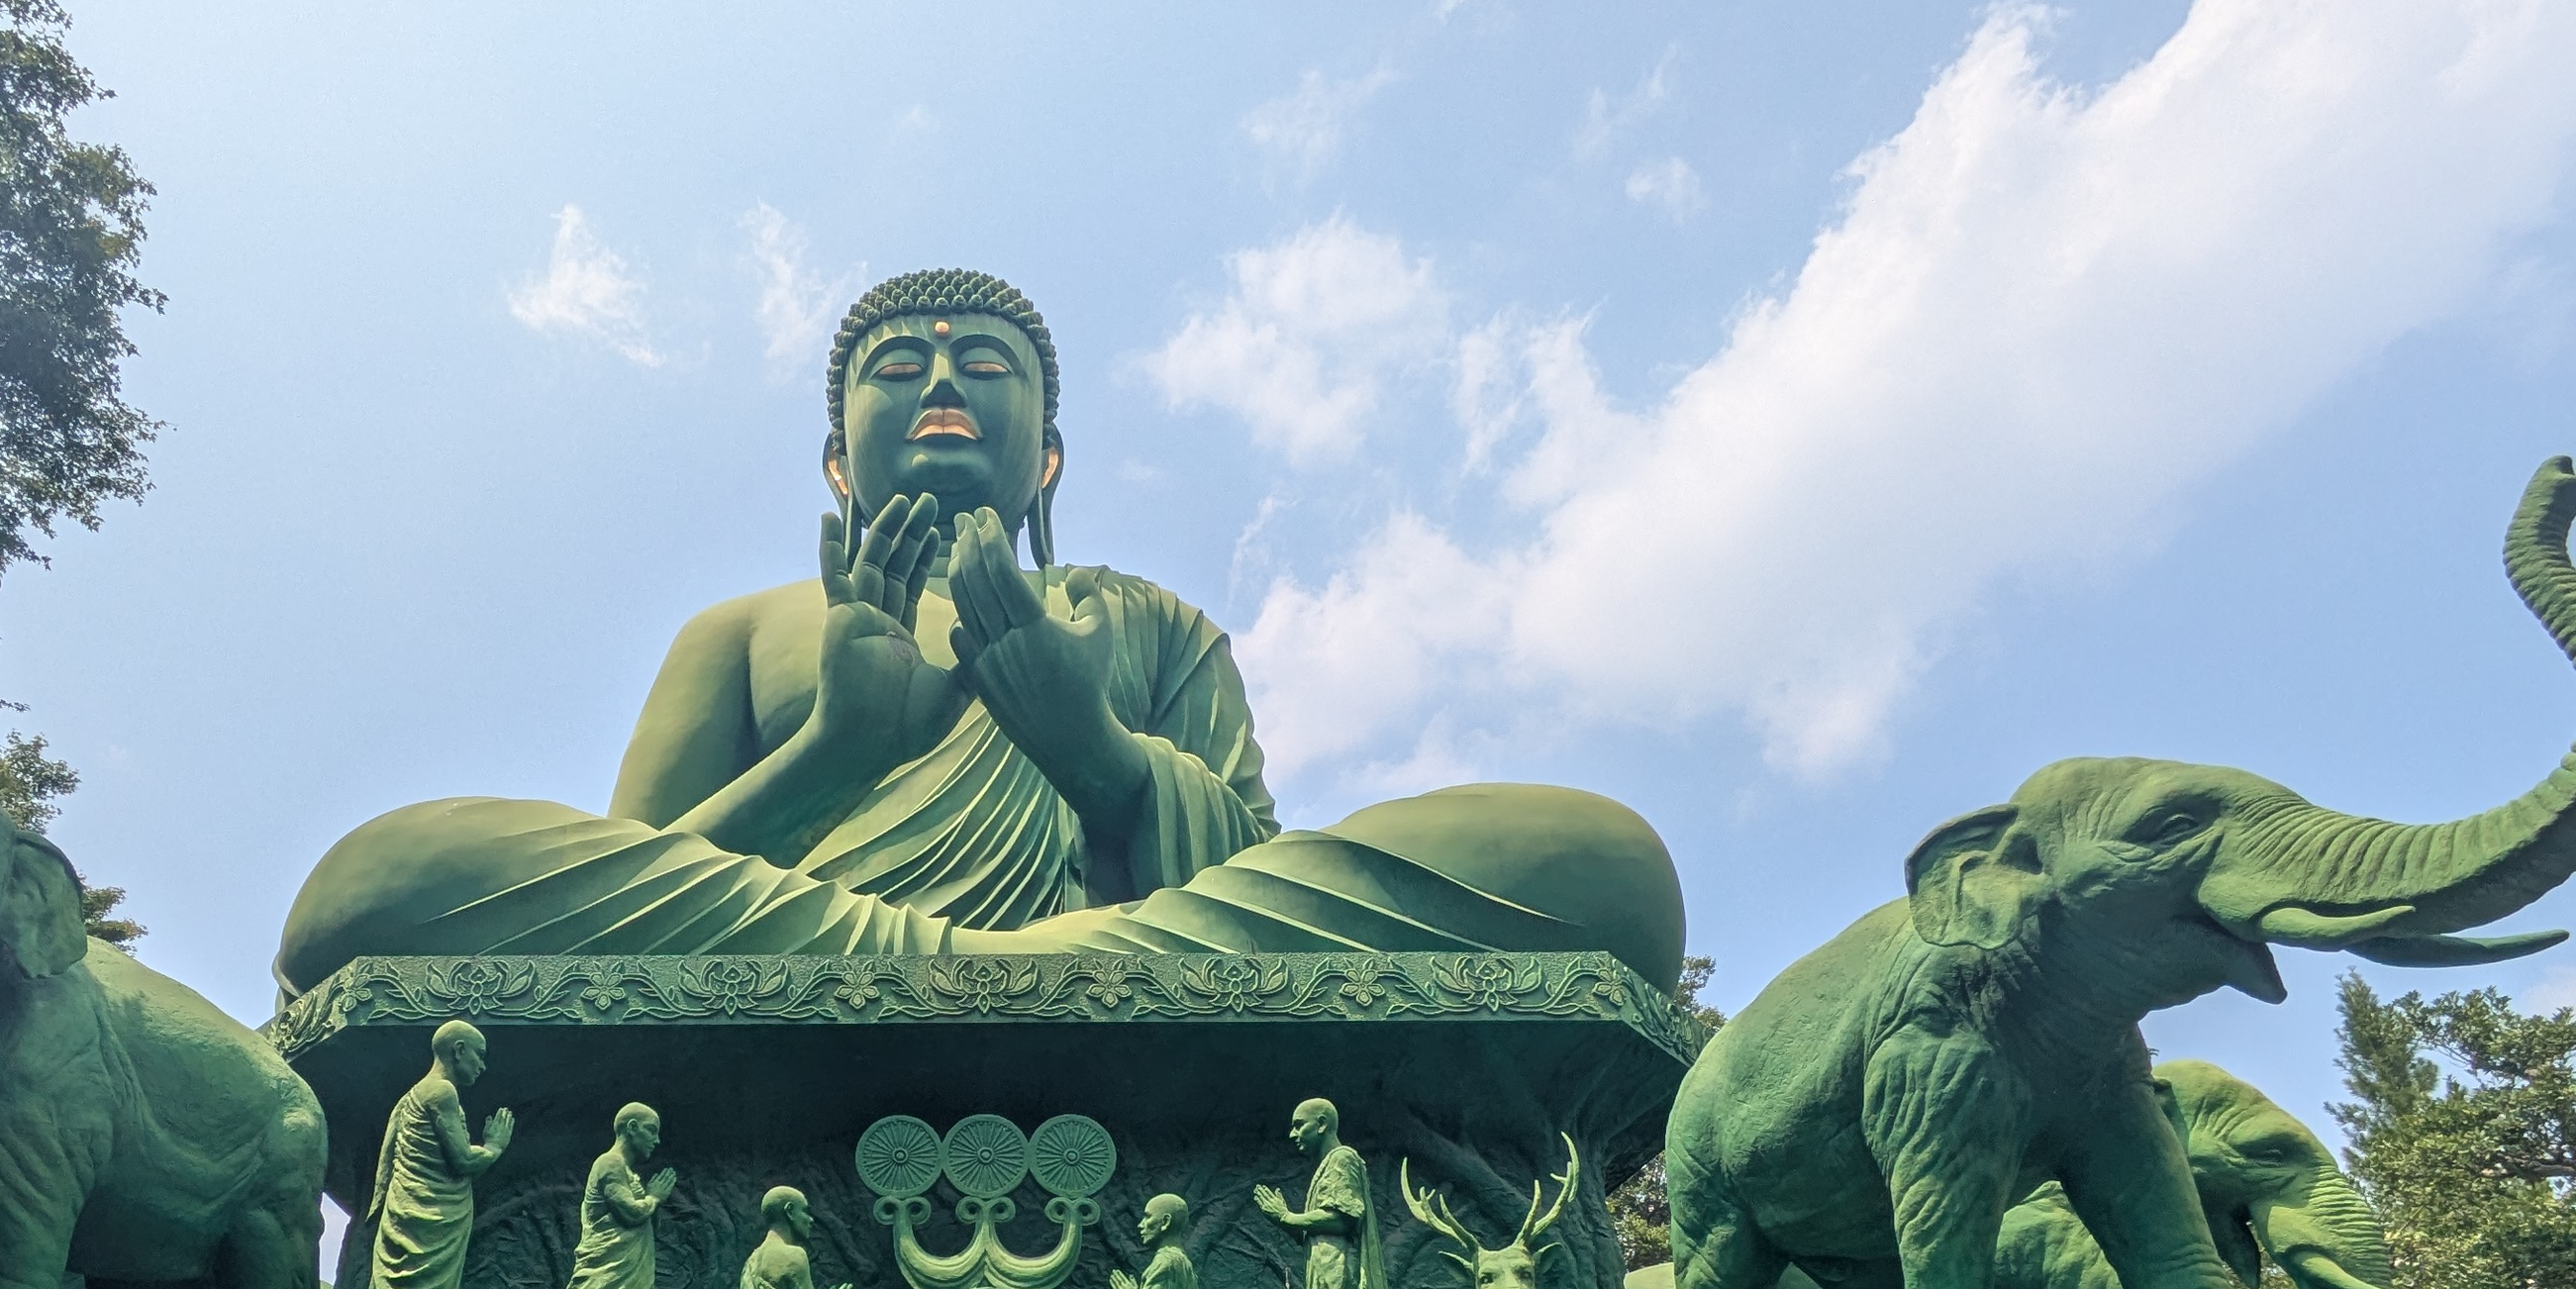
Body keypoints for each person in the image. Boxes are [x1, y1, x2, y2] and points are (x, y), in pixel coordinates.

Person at [276, 269, 1686, 999]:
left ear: (1047, 463)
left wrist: (1109, 768)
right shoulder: (742, 630)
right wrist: (836, 753)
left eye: (981, 365)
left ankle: (1028, 980)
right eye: (900, 370)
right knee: (373, 892)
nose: (942, 381)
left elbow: (1261, 889)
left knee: (1597, 868)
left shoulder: (1154, 626)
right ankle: (1000, 985)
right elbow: (635, 893)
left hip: (1132, 957)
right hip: (813, 954)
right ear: (839, 466)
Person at [345, 1019, 511, 1289]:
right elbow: (465, 1160)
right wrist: (496, 1145)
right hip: (428, 1225)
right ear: (458, 1050)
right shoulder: (441, 1092)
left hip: (410, 1221)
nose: (482, 1067)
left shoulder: (412, 1096)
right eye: (479, 1056)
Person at [1254, 1099, 1399, 1289]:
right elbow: (1320, 1225)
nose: (1293, 1134)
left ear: (1321, 1124)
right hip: (1325, 1272)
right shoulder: (1326, 1166)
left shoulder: (1342, 1158)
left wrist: (1288, 1217)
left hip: (1338, 1273)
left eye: (1299, 1125)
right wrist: (1283, 1219)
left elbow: (1345, 1216)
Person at [552, 1102, 676, 1289]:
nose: (656, 1140)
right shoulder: (608, 1164)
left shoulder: (628, 1173)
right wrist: (655, 1197)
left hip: (627, 1284)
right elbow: (632, 1213)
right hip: (605, 1281)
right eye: (651, 1131)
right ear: (631, 1128)